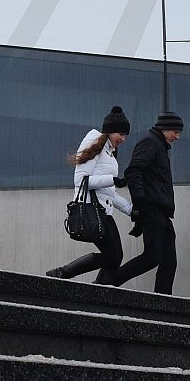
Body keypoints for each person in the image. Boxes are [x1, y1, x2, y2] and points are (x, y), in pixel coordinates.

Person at [46, 106, 133, 282]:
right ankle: (63, 273)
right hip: (92, 209)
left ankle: (94, 287)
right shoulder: (94, 144)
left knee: (114, 257)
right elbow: (81, 181)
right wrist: (113, 180)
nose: (123, 139)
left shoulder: (109, 152)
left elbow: (109, 193)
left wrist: (131, 210)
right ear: (109, 131)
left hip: (104, 211)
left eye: (125, 135)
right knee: (113, 256)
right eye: (121, 134)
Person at [106, 110, 183, 294]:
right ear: (165, 128)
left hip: (162, 213)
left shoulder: (160, 146)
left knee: (169, 262)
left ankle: (162, 304)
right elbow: (133, 171)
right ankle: (108, 283)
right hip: (152, 209)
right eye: (176, 132)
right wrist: (141, 203)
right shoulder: (150, 142)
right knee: (152, 257)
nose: (177, 137)